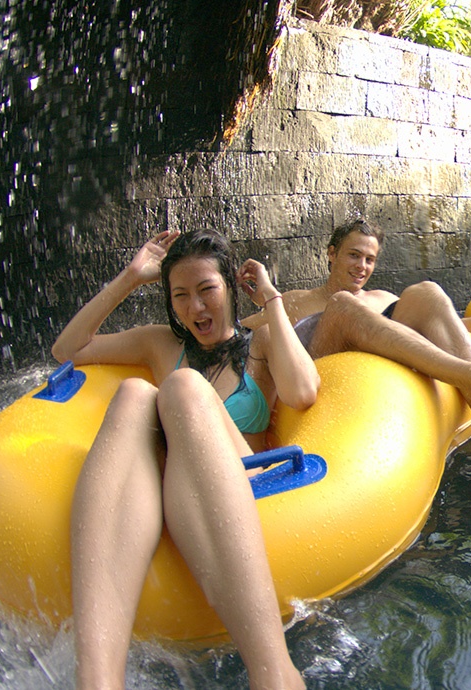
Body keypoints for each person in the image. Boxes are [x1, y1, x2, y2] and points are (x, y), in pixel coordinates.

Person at [52, 229, 316, 689]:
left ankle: (275, 676)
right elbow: (67, 351)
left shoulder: (263, 343)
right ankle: (97, 680)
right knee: (135, 393)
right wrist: (131, 278)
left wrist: (272, 299)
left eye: (206, 291)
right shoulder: (161, 344)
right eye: (180, 295)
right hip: (173, 490)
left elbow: (302, 391)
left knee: (182, 387)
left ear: (230, 290)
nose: (195, 308)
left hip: (243, 484)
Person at [245, 219, 471, 465]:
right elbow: (241, 336)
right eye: (353, 256)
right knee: (344, 303)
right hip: (322, 376)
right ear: (332, 254)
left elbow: (439, 330)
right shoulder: (293, 301)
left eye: (369, 260)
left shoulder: (382, 297)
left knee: (426, 291)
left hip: (375, 376)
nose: (361, 267)